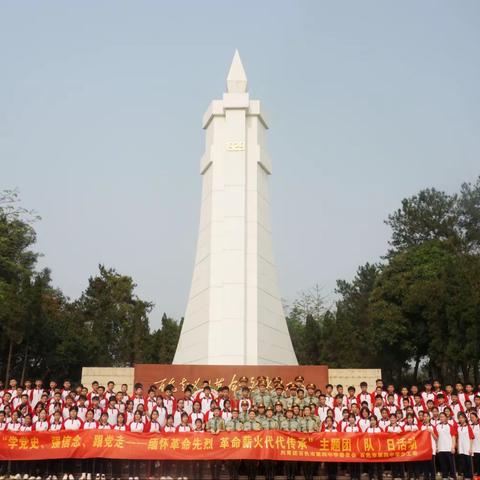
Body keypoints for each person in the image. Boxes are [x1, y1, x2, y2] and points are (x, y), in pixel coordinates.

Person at [436, 411, 457, 480]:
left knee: (451, 463)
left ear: (446, 418)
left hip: (449, 448)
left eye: (443, 417)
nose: (441, 418)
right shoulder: (437, 426)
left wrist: (453, 447)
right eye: (440, 417)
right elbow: (436, 437)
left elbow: (453, 436)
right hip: (441, 448)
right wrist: (437, 447)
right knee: (443, 464)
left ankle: (452, 476)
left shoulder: (450, 426)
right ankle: (444, 476)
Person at [456, 412, 474, 480]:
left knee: (468, 463)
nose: (461, 419)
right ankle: (465, 476)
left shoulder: (468, 427)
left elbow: (471, 437)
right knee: (463, 463)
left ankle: (470, 477)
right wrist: (458, 447)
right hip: (461, 448)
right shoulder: (458, 427)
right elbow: (458, 438)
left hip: (467, 448)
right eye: (459, 418)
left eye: (462, 418)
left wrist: (471, 448)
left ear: (465, 418)